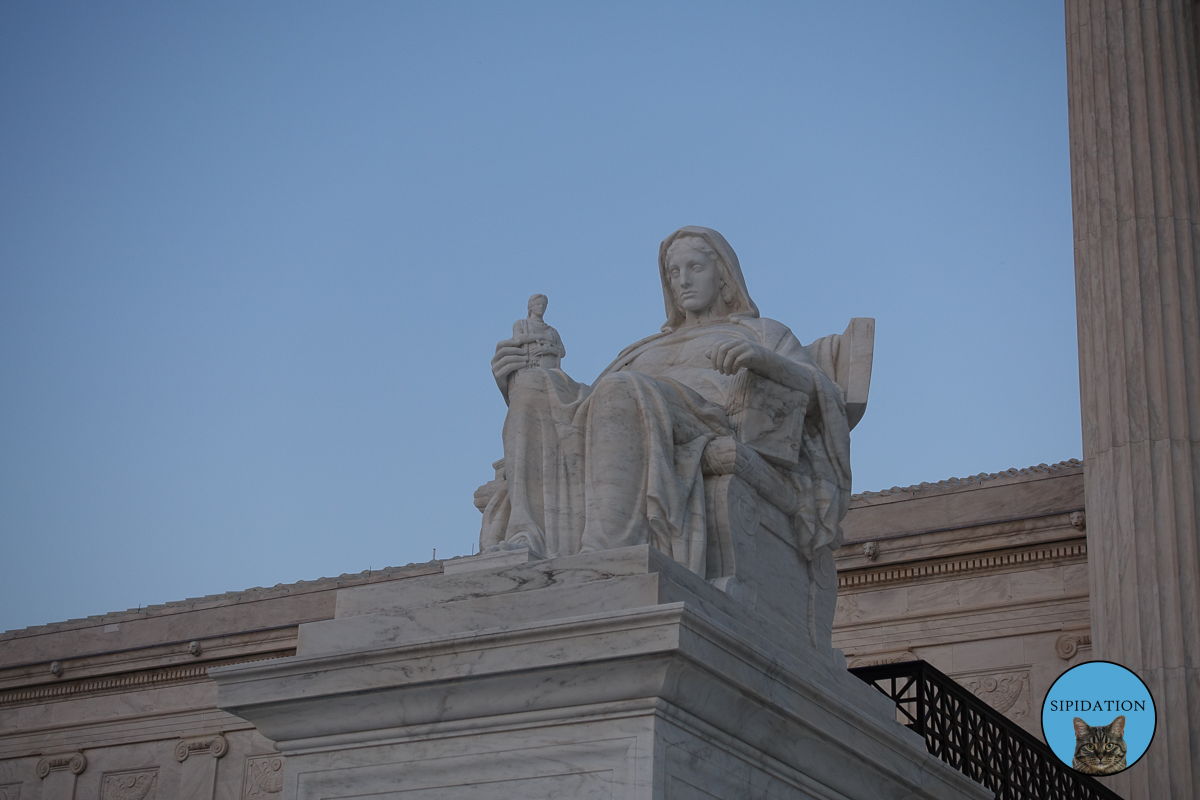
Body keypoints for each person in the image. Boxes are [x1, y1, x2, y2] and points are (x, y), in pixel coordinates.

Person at [481, 226, 851, 576]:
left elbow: (822, 392)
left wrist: (763, 359)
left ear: (722, 275)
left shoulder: (760, 331)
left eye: (694, 267)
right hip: (638, 409)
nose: (683, 280)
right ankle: (528, 537)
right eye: (673, 272)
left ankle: (609, 548)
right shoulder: (644, 348)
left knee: (620, 390)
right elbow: (584, 415)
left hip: (707, 423)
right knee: (535, 384)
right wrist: (519, 384)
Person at [510, 293, 565, 373]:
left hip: (552, 370)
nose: (541, 307)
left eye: (544, 305)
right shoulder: (521, 323)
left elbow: (562, 352)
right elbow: (518, 338)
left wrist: (548, 349)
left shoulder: (552, 331)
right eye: (538, 304)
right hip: (530, 367)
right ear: (531, 307)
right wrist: (543, 337)